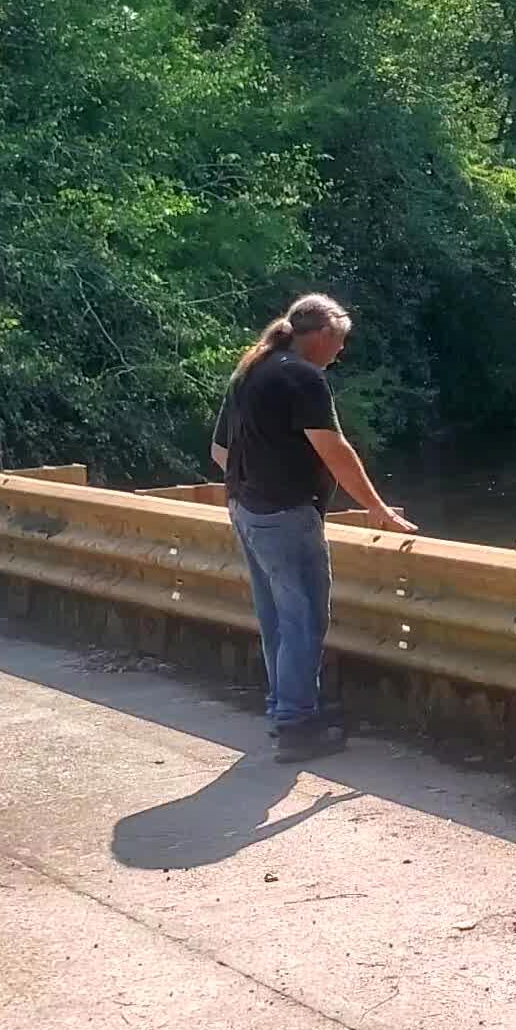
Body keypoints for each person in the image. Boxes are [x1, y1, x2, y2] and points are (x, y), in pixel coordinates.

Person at [210, 294, 416, 762]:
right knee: (304, 619)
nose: (340, 353)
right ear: (322, 335)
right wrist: (378, 509)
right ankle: (297, 724)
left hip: (246, 511)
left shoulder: (250, 371)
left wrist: (258, 478)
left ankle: (285, 708)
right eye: (339, 343)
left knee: (276, 618)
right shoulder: (303, 377)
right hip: (286, 515)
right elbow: (335, 450)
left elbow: (219, 452)